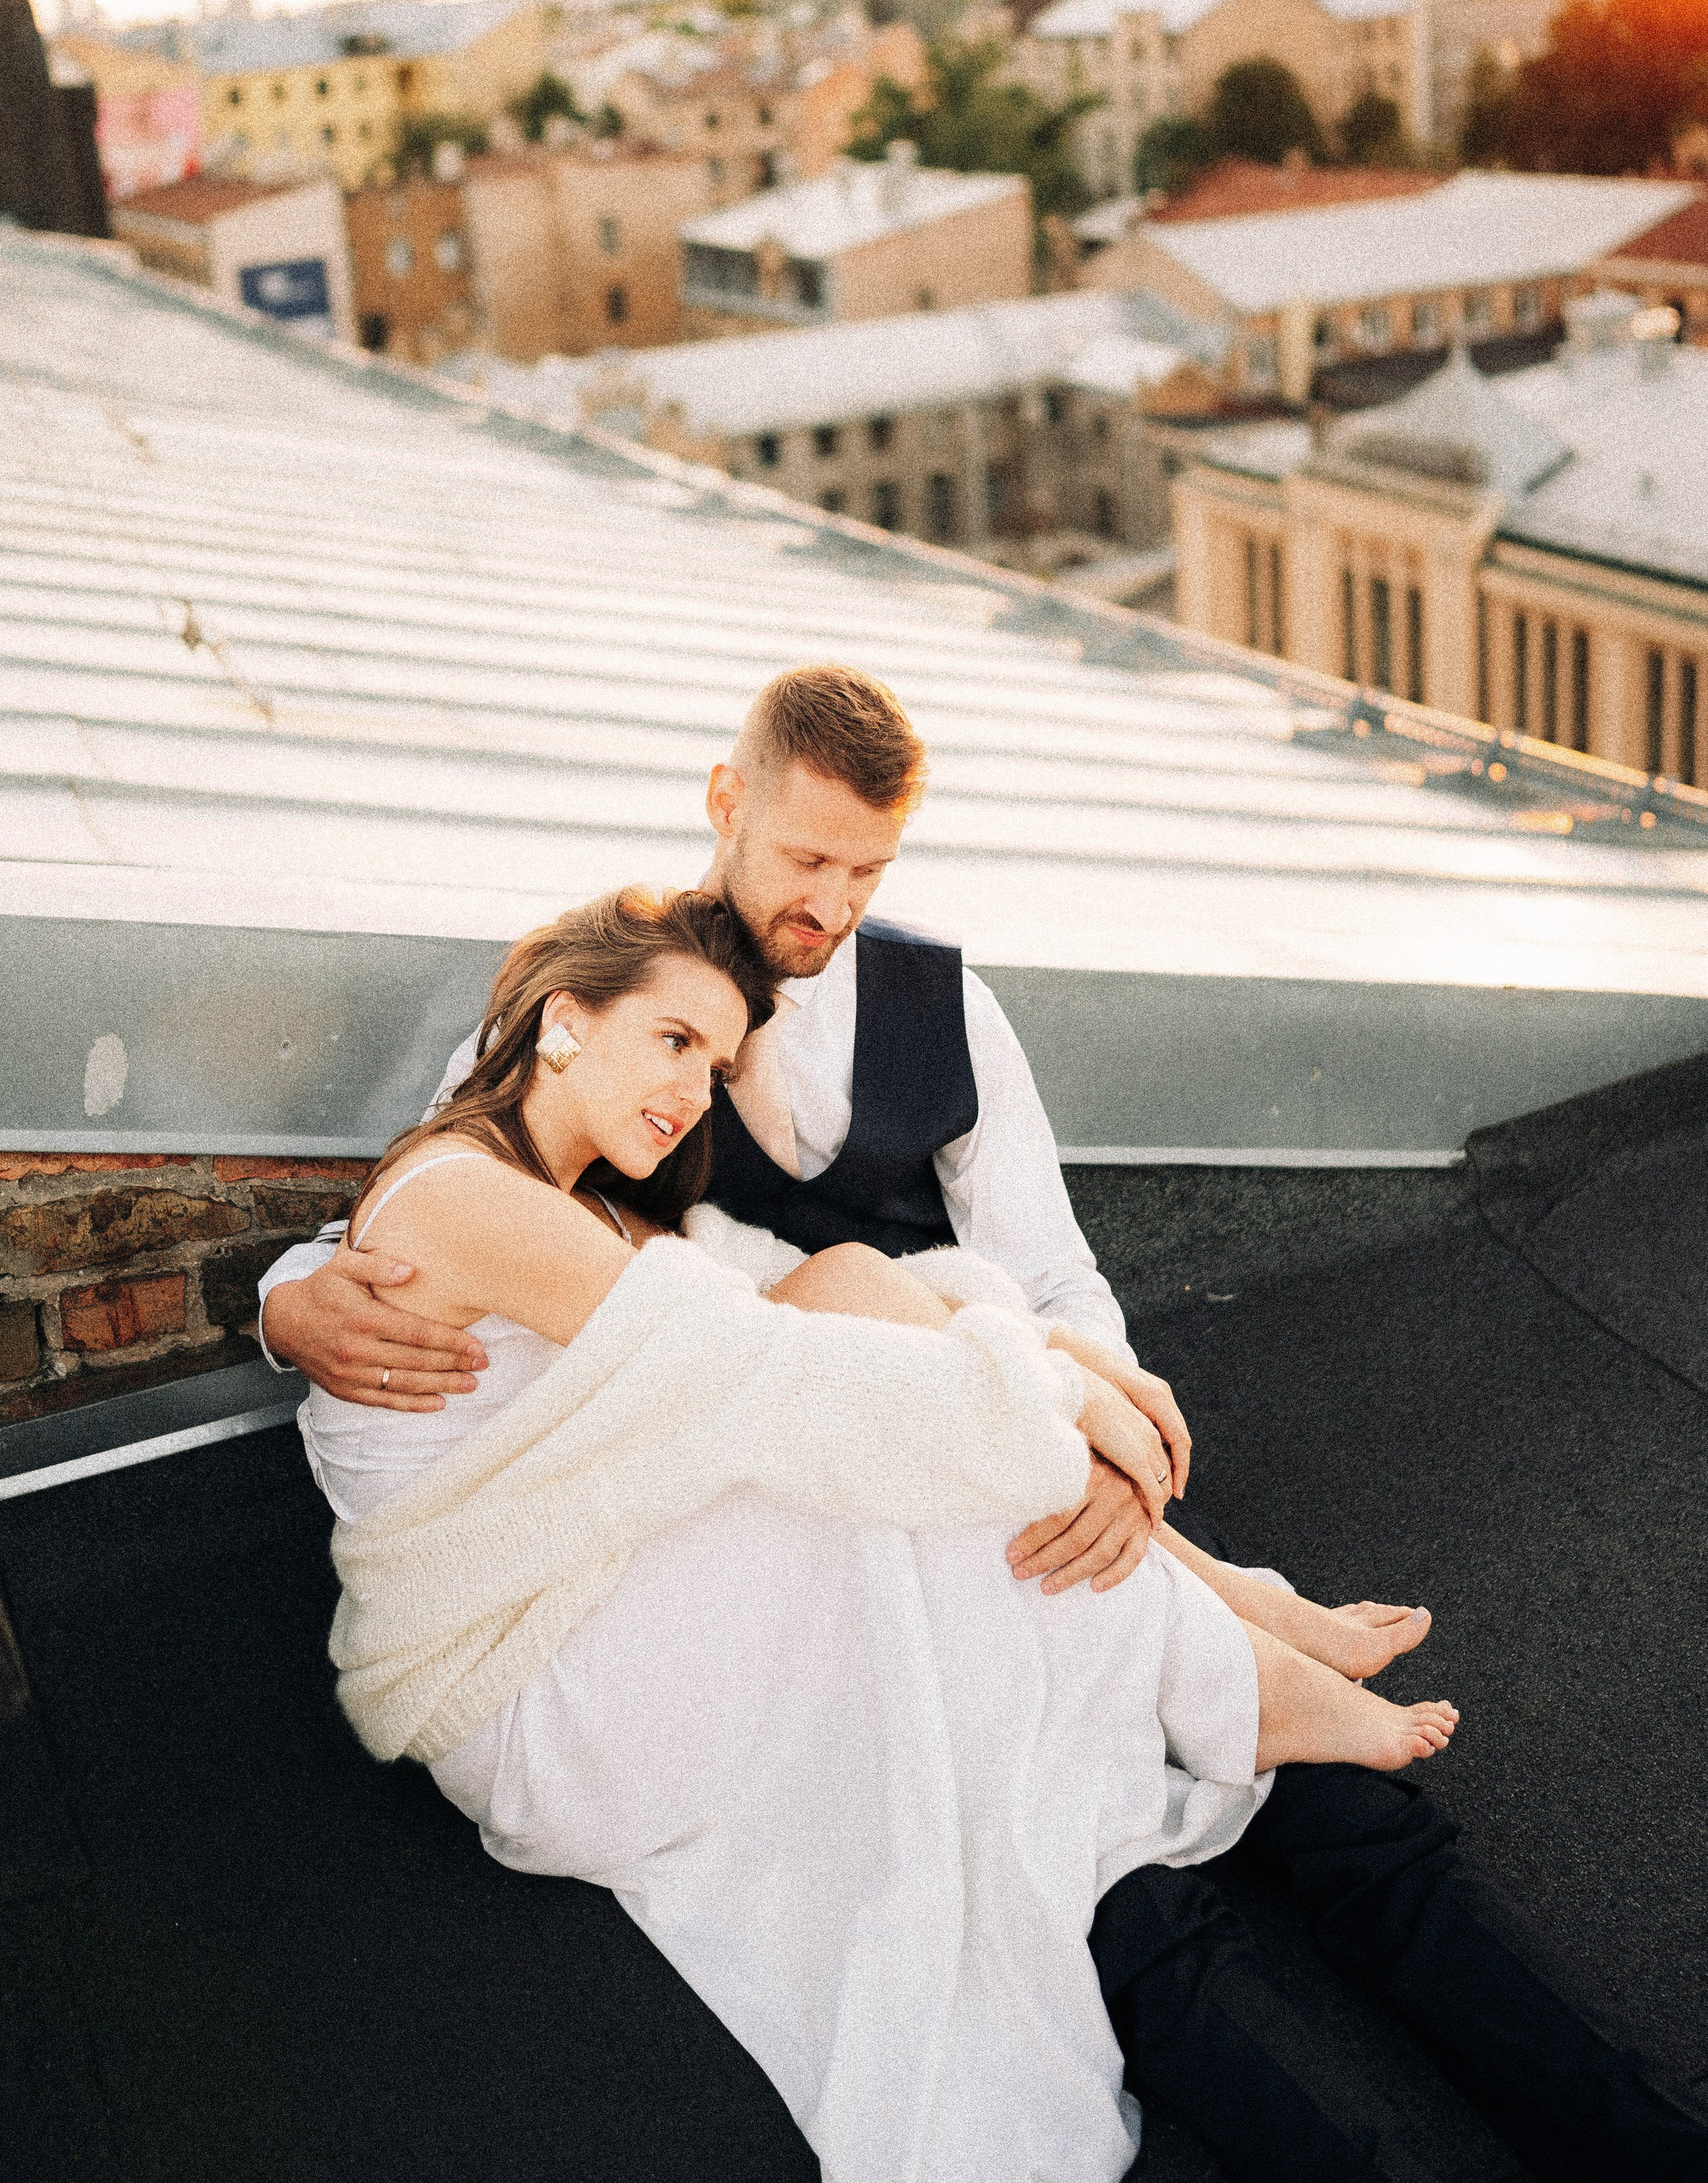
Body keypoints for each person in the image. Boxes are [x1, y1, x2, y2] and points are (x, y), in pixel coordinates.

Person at [264, 667, 1708, 2182]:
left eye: (865, 871)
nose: (827, 902)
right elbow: (429, 1203)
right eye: (802, 859)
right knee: (1092, 1837)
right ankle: (1230, 1658)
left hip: (948, 1429)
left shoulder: (939, 1008)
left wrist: (1090, 1432)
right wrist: (288, 1304)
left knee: (1338, 1819)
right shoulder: (620, 994)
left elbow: (1048, 1269)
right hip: (843, 1471)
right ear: (723, 803)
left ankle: (1637, 2137)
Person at [314, 883, 1460, 2183]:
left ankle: (1216, 1620)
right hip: (528, 1695)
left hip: (582, 1602)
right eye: (675, 1043)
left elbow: (809, 1301)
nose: (695, 1094)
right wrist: (1063, 1398)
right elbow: (763, 1373)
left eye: (720, 1062)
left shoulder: (592, 1208)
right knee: (887, 1475)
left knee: (869, 1310)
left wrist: (1039, 1351)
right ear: (565, 1023)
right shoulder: (474, 1198)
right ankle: (1220, 1660)